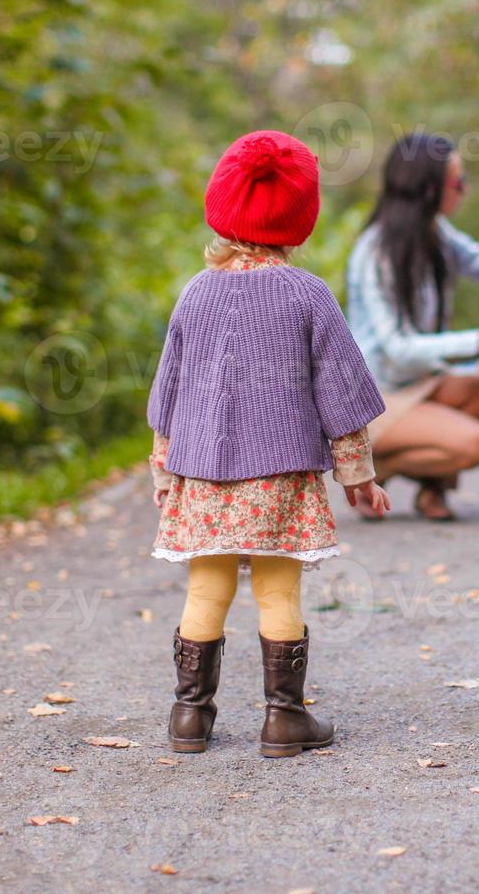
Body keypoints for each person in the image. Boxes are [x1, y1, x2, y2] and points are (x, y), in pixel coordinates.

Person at [146, 130, 390, 758]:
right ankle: (284, 719)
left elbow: (168, 392)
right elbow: (341, 394)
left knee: (206, 590)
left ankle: (188, 718)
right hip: (280, 478)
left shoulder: (195, 295)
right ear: (298, 217)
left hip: (203, 477)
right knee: (278, 592)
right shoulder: (309, 296)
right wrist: (357, 474)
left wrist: (164, 475)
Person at [345, 133, 479, 521]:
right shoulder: (378, 252)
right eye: (457, 182)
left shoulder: (436, 232)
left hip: (419, 382)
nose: (464, 190)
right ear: (429, 189)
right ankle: (376, 466)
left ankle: (433, 491)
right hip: (375, 398)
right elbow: (397, 348)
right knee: (474, 444)